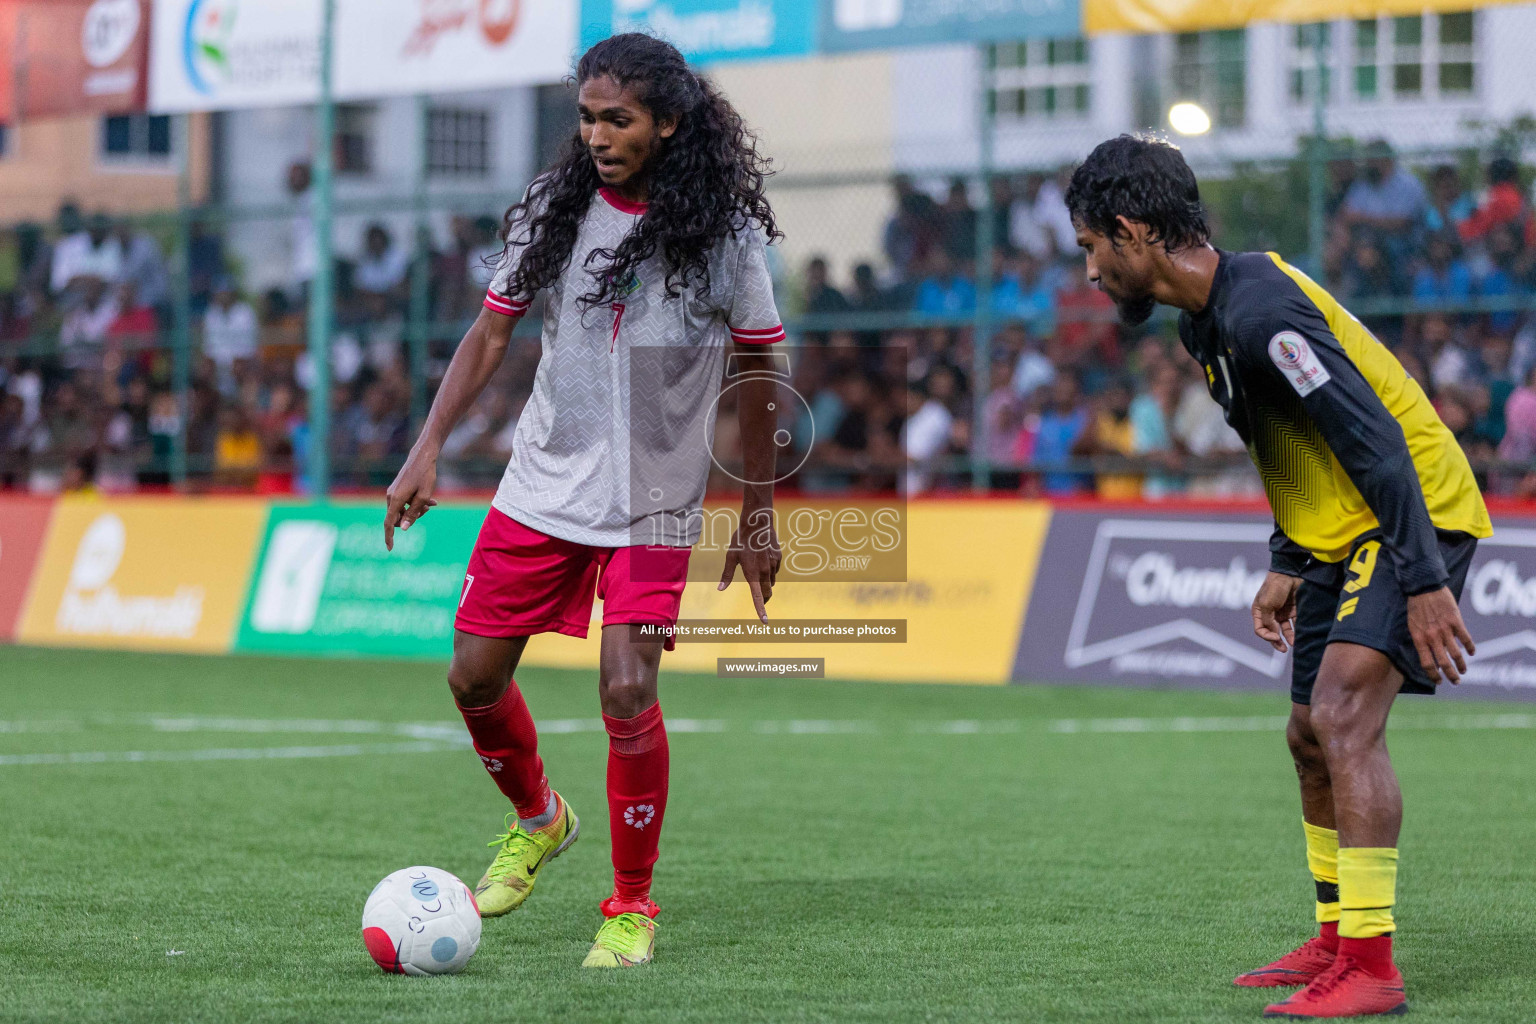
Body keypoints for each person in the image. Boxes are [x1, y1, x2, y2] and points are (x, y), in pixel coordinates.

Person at [1065, 134, 1491, 1018]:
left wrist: (1422, 579)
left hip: (1413, 511)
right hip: (1341, 532)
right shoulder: (1204, 321)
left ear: (1132, 230)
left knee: (1343, 716)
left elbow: (1373, 441)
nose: (1092, 272)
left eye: (1092, 248)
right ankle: (1338, 938)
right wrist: (1290, 558)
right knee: (1306, 735)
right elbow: (1289, 446)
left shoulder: (1262, 313)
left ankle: (1373, 967)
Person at [383, 33, 784, 970]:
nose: (598, 135)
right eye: (588, 117)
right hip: (542, 483)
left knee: (626, 689)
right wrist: (428, 445)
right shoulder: (556, 211)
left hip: (655, 496)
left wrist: (757, 510)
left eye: (619, 118)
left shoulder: (723, 233)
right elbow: (489, 337)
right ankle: (539, 817)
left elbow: (761, 362)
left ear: (668, 124)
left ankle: (631, 907)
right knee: (472, 678)